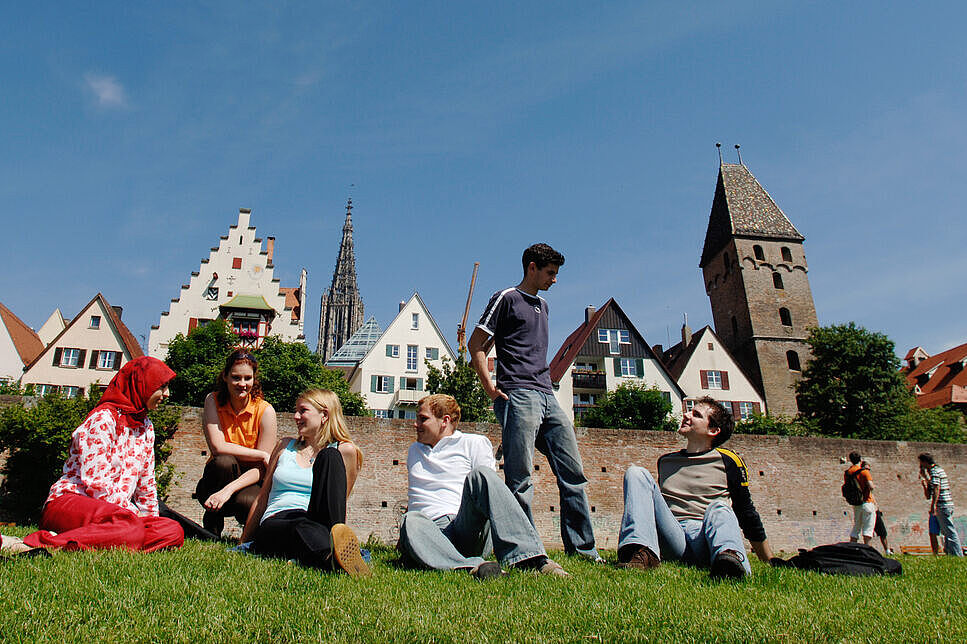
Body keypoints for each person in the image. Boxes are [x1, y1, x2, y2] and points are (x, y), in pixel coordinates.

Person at [468, 243, 600, 561]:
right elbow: (476, 344)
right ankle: (525, 551)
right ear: (532, 267)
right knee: (520, 476)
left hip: (547, 395)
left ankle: (584, 550)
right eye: (550, 273)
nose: (554, 280)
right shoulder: (506, 298)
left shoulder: (545, 307)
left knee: (572, 473)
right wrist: (489, 387)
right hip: (518, 394)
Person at [21, 357, 184, 552]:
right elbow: (96, 484)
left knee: (172, 530)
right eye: (162, 387)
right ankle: (48, 542)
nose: (167, 394)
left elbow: (146, 485)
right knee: (130, 528)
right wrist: (134, 517)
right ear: (142, 385)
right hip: (72, 503)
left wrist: (150, 521)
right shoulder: (103, 419)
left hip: (115, 515)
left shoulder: (146, 428)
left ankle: (106, 539)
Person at [397, 394, 568, 578]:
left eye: (423, 419)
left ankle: (531, 559)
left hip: (465, 526)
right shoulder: (414, 450)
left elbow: (490, 491)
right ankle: (476, 567)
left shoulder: (473, 443)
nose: (416, 424)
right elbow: (416, 496)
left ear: (444, 421)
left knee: (482, 475)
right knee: (411, 519)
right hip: (430, 532)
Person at [616, 397, 773, 579]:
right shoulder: (666, 461)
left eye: (696, 415)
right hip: (674, 538)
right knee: (636, 473)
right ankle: (639, 553)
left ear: (713, 430)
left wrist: (768, 559)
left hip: (705, 538)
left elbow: (746, 512)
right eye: (689, 411)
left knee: (719, 507)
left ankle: (730, 560)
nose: (686, 415)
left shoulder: (729, 461)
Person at [240, 389, 369, 575]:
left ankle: (333, 547)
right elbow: (262, 497)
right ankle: (332, 558)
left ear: (324, 415)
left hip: (317, 523)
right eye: (296, 410)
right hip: (278, 520)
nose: (295, 416)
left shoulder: (344, 452)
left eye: (303, 411)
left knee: (330, 455)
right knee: (300, 525)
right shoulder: (285, 446)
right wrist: (244, 541)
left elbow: (337, 501)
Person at [196, 350, 278, 537]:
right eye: (236, 378)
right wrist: (262, 454)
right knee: (224, 461)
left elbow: (262, 469)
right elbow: (218, 447)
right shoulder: (213, 400)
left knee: (248, 502)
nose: (242, 384)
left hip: (249, 479)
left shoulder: (266, 411)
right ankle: (212, 526)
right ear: (225, 377)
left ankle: (248, 534)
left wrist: (227, 491)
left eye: (247, 378)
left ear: (254, 379)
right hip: (217, 477)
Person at [918, 453, 963, 557]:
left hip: (942, 504)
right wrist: (925, 477)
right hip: (947, 504)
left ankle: (957, 555)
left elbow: (936, 488)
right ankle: (950, 553)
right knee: (947, 531)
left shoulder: (934, 471)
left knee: (950, 532)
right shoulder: (939, 470)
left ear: (925, 462)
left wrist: (934, 505)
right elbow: (932, 488)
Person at [861, 460, 893, 554]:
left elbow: (872, 494)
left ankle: (887, 550)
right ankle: (868, 551)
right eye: (866, 469)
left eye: (869, 469)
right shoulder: (862, 481)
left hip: (874, 509)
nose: (868, 471)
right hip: (868, 507)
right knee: (868, 531)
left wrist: (877, 506)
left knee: (882, 532)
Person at [845, 452, 875, 545]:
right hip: (867, 502)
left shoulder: (847, 473)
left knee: (856, 527)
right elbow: (871, 487)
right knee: (868, 529)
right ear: (860, 459)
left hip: (856, 503)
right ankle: (867, 550)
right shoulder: (864, 472)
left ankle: (852, 549)